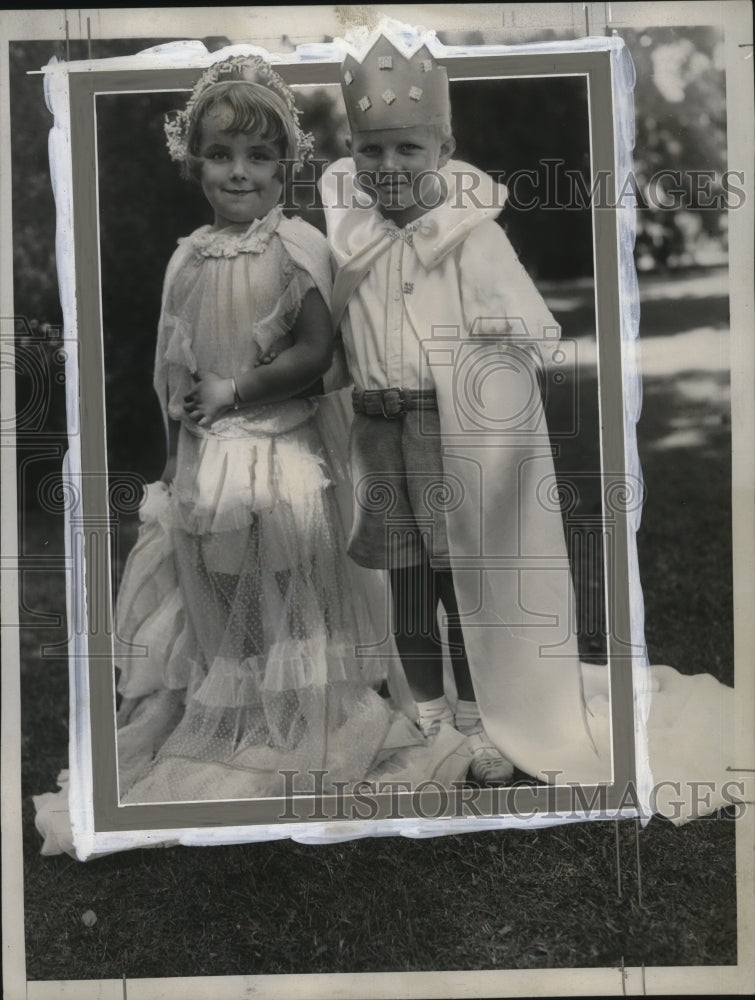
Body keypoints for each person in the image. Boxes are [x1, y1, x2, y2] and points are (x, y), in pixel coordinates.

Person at [106, 53, 473, 806]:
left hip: (281, 451)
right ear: (193, 163)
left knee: (289, 582)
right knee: (221, 585)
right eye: (220, 155)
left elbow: (317, 356)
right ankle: (246, 715)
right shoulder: (187, 261)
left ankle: (307, 712)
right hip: (211, 457)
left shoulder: (295, 247)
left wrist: (236, 388)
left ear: (284, 166)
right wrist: (177, 457)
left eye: (258, 157)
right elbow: (175, 375)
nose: (238, 173)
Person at [320, 31, 610, 787]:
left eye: (407, 150)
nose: (387, 168)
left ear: (442, 146)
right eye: (370, 151)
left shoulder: (472, 239)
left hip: (446, 432)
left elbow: (532, 326)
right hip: (375, 432)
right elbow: (329, 330)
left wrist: (501, 335)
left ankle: (483, 721)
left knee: (462, 579)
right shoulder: (348, 235)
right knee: (404, 579)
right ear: (351, 150)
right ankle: (429, 718)